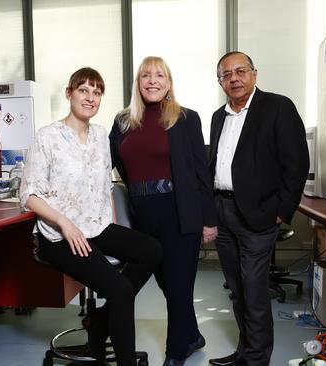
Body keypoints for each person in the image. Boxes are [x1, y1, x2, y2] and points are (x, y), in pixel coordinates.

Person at [20, 67, 162, 366]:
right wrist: (64, 223)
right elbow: (29, 195)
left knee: (152, 250)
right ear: (69, 93)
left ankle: (99, 319)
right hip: (58, 234)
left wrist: (109, 223)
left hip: (96, 226)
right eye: (84, 90)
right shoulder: (47, 137)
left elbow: (104, 185)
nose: (90, 97)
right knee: (121, 291)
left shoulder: (100, 136)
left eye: (97, 92)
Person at [110, 56, 218, 366]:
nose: (152, 80)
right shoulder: (122, 121)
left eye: (160, 75)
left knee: (179, 285)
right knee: (168, 285)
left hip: (179, 213)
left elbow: (201, 173)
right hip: (141, 216)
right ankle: (194, 335)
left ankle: (175, 353)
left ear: (168, 83)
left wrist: (209, 220)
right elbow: (106, 162)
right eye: (146, 75)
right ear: (138, 82)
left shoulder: (185, 118)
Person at [207, 52, 309, 366]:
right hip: (222, 212)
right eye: (226, 74)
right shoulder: (218, 116)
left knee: (253, 291)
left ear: (254, 73)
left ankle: (256, 360)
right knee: (237, 290)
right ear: (220, 81)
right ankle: (244, 352)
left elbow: (297, 164)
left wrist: (281, 211)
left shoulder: (277, 107)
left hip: (258, 215)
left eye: (241, 71)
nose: (234, 78)